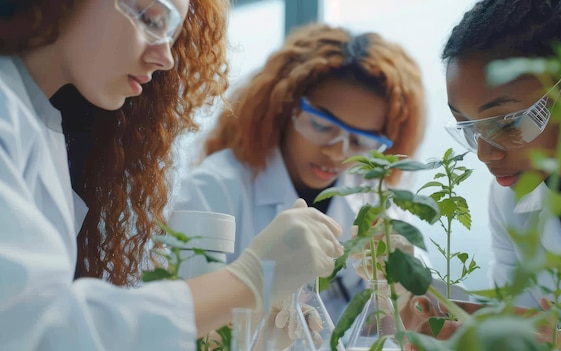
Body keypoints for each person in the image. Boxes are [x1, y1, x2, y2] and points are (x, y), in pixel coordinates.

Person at [0, 1, 344, 350]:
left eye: (172, 32)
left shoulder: (43, 125)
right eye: (150, 18)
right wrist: (251, 279)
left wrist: (258, 341)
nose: (165, 57)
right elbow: (41, 328)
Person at [173, 22, 429, 321]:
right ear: (284, 108)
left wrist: (403, 283)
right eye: (321, 126)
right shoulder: (215, 188)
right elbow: (177, 319)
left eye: (360, 141)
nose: (337, 152)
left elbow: (400, 320)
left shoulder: (370, 195)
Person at [437, 0, 561, 349]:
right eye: (467, 126)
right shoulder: (510, 193)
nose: (485, 153)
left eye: (507, 123)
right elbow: (527, 324)